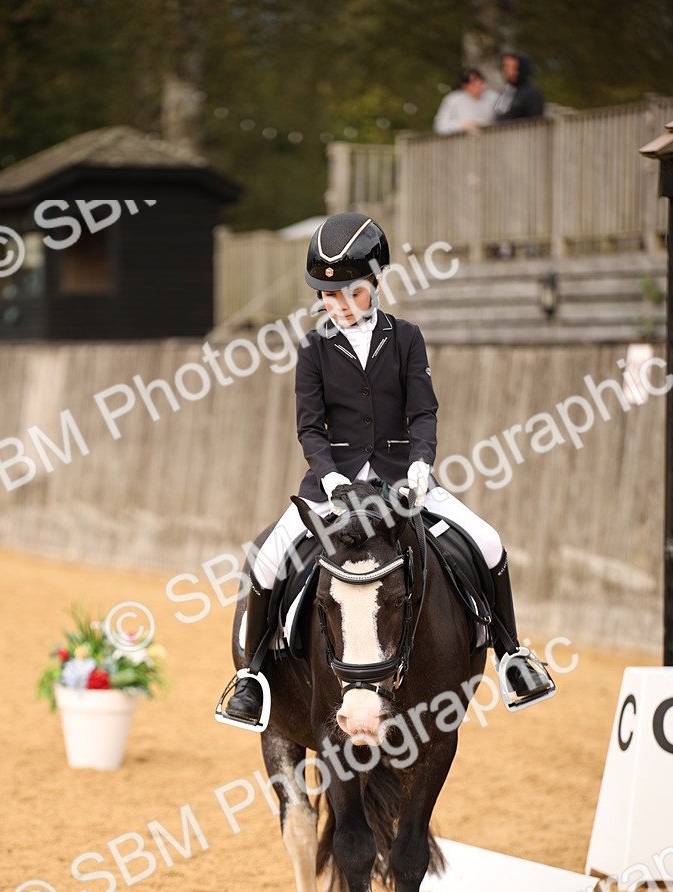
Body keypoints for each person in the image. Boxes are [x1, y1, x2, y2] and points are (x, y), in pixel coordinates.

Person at [218, 212, 555, 729]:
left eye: (351, 293)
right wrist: (330, 479)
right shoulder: (312, 349)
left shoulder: (406, 338)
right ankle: (253, 677)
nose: (340, 306)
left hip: (405, 479)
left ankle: (512, 655)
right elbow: (311, 428)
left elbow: (424, 411)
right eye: (328, 296)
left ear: (375, 283)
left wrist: (421, 465)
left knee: (489, 543)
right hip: (334, 484)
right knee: (265, 560)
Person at [433, 68, 498, 135]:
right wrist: (461, 125)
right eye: (473, 83)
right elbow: (440, 125)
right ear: (464, 86)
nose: (478, 85)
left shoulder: (493, 97)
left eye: (480, 82)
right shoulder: (453, 99)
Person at [494, 52, 545, 122]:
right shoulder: (507, 90)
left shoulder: (531, 93)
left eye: (511, 67)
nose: (506, 70)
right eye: (505, 66)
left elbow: (535, 123)